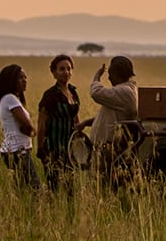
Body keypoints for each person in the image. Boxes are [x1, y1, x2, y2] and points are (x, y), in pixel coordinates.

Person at [88, 54, 139, 184]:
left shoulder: (124, 92)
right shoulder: (123, 91)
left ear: (118, 74)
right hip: (105, 149)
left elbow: (96, 93)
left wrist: (97, 77)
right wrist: (87, 123)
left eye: (110, 73)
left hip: (110, 151)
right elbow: (110, 117)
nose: (109, 78)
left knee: (105, 185)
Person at [36, 53, 81, 195]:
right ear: (54, 72)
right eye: (61, 69)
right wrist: (41, 149)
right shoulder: (50, 95)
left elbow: (75, 117)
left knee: (70, 188)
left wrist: (80, 140)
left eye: (69, 69)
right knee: (54, 187)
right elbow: (41, 124)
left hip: (70, 148)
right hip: (54, 148)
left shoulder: (73, 92)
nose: (66, 72)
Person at [0, 63, 39, 190]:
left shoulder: (11, 99)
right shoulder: (10, 98)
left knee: (23, 190)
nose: (24, 80)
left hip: (15, 150)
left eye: (25, 77)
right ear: (11, 81)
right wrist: (32, 130)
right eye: (20, 78)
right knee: (35, 189)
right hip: (18, 151)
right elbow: (26, 124)